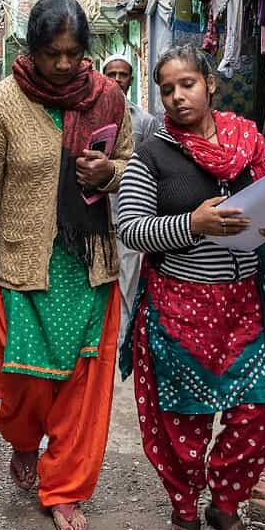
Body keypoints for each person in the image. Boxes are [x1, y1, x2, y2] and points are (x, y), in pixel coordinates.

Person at [0, 0, 133, 530]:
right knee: (24, 386)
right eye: (52, 53)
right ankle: (24, 442)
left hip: (89, 267)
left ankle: (64, 488)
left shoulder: (109, 99)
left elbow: (134, 172)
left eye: (74, 53)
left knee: (84, 389)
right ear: (30, 50)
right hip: (21, 268)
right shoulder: (2, 103)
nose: (64, 64)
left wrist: (108, 171)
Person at [117, 44, 265, 530]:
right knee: (182, 423)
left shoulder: (249, 142)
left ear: (210, 84)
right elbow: (130, 229)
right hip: (179, 309)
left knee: (260, 410)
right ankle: (184, 514)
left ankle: (226, 505)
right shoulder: (152, 154)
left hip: (246, 305)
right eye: (167, 89)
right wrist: (193, 223)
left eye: (187, 84)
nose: (177, 97)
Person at [100, 54, 162, 344]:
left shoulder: (145, 122)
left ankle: (126, 342)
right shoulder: (89, 116)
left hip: (128, 216)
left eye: (122, 74)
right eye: (111, 73)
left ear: (131, 79)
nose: (116, 79)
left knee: (129, 281)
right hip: (96, 215)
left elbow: (155, 166)